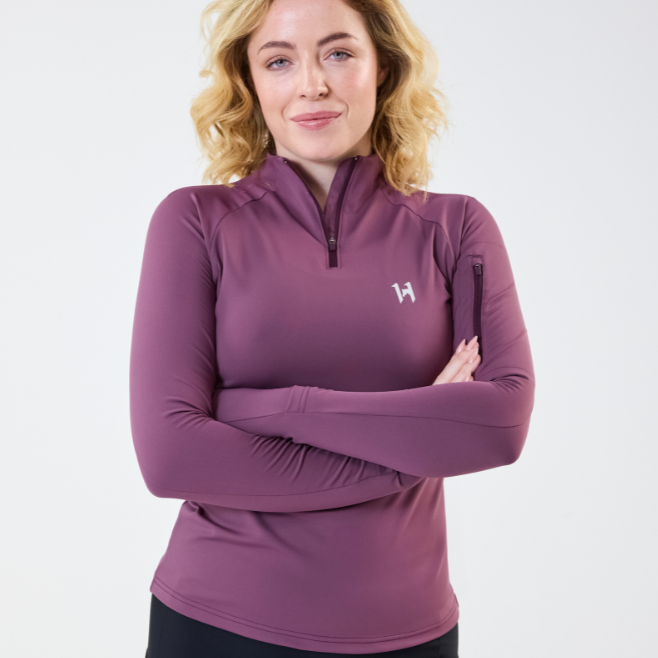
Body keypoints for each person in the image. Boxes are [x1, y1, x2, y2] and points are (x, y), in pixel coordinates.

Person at [129, 0, 536, 656]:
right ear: (250, 82)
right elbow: (172, 457)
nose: (311, 84)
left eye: (339, 53)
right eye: (279, 61)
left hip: (413, 630)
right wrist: (416, 443)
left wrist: (268, 410)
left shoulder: (456, 228)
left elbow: (500, 426)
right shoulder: (195, 222)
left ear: (383, 67)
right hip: (219, 623)